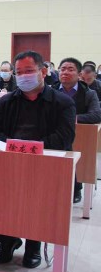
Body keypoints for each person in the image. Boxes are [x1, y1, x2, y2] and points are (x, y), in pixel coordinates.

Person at [0, 51, 76, 269]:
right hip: (10, 161)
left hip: (46, 164)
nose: (23, 76)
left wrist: (33, 148)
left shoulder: (62, 102)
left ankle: (33, 244)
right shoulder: (7, 101)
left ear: (43, 71)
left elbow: (64, 137)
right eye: (19, 72)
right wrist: (9, 145)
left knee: (38, 202)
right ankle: (7, 240)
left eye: (29, 71)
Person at [53, 57, 101, 203]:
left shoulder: (88, 93)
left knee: (77, 160)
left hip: (79, 136)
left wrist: (72, 118)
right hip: (53, 134)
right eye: (62, 69)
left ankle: (76, 188)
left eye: (70, 69)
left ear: (79, 74)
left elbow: (96, 115)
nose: (65, 72)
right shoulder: (50, 90)